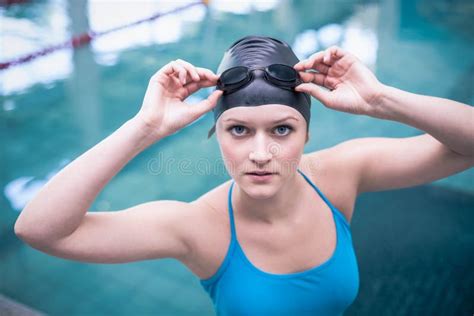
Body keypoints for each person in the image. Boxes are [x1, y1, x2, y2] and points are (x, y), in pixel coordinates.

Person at [14, 35, 474, 315]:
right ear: (217, 134)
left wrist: (381, 101)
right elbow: (41, 230)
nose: (260, 153)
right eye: (238, 129)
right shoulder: (195, 227)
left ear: (307, 134)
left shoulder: (340, 175)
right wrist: (143, 129)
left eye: (281, 129)